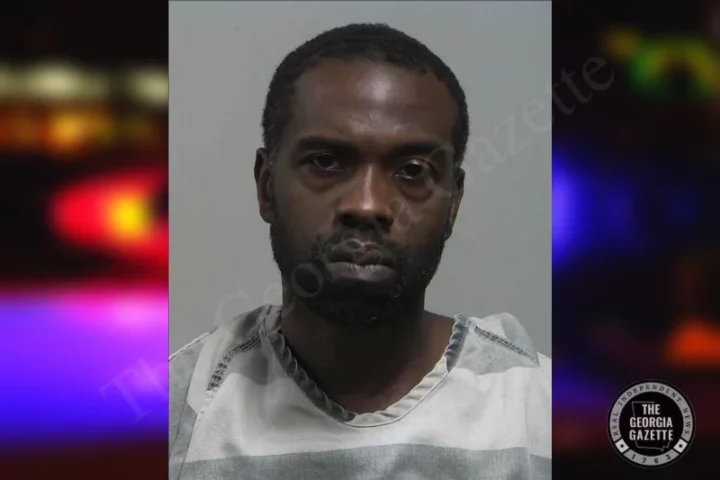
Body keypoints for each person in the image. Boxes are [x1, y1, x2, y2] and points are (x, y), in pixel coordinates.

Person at [170, 23, 550, 480]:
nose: (367, 205)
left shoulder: (538, 411)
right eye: (326, 163)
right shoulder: (178, 410)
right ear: (267, 186)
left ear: (453, 202)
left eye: (413, 170)